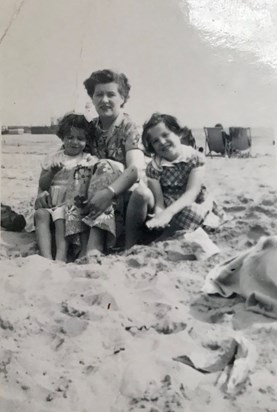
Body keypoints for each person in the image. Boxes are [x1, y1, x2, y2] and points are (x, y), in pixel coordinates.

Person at [125, 113, 224, 248]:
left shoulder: (194, 158)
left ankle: (169, 237)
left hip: (190, 200)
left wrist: (168, 213)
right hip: (167, 200)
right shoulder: (154, 166)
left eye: (165, 135)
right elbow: (159, 201)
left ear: (178, 133)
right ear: (151, 147)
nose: (162, 142)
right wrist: (160, 215)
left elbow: (191, 193)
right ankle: (136, 243)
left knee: (193, 213)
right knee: (144, 199)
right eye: (155, 141)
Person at [80, 69, 144, 255]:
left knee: (108, 165)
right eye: (98, 94)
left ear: (122, 98)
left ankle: (95, 244)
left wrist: (109, 192)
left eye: (111, 94)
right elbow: (66, 161)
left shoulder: (129, 127)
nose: (104, 100)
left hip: (123, 194)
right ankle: (80, 241)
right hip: (92, 196)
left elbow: (135, 169)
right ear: (92, 98)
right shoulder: (89, 128)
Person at [34, 113, 98, 261]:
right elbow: (42, 184)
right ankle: (46, 257)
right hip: (51, 201)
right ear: (62, 137)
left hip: (69, 205)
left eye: (80, 138)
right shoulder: (53, 158)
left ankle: (61, 256)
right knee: (40, 215)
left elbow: (92, 182)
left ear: (86, 140)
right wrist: (51, 173)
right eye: (70, 137)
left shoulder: (87, 159)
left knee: (61, 215)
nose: (74, 142)